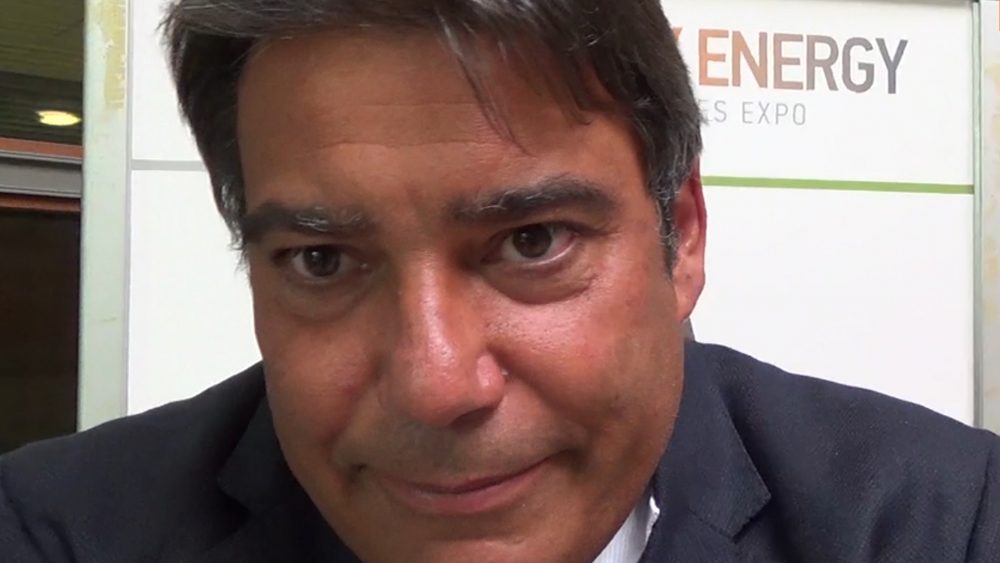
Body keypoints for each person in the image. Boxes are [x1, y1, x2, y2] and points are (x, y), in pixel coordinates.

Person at [2, 1, 998, 561]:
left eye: (531, 242)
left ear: (681, 236)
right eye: (322, 260)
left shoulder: (941, 524)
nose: (435, 381)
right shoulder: (59, 532)